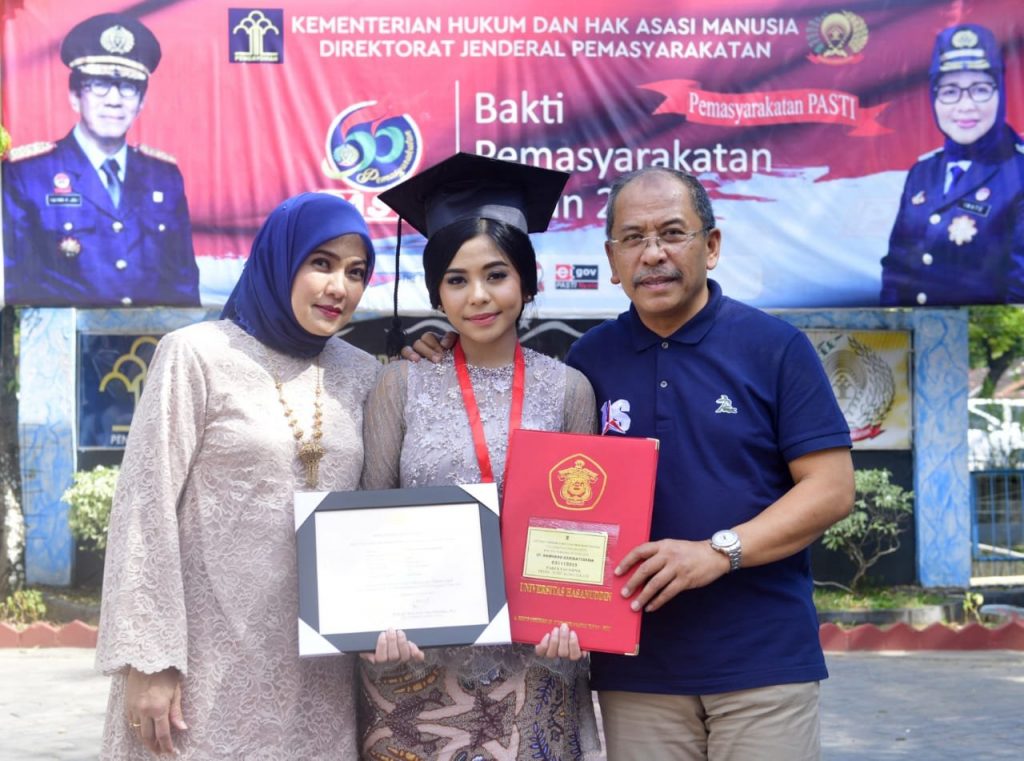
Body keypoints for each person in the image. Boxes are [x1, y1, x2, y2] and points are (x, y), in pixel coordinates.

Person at [410, 167, 854, 760]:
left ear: (711, 246)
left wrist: (717, 552)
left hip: (760, 660)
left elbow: (830, 489)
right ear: (612, 260)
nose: (653, 254)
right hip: (636, 668)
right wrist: (440, 354)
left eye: (672, 233)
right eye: (633, 238)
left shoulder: (774, 348)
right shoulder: (590, 361)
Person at [94, 192, 381, 759]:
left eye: (355, 272)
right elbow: (145, 506)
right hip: (203, 661)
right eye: (321, 263)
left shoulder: (363, 372)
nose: (339, 288)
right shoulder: (196, 354)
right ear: (280, 259)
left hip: (319, 670)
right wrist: (150, 659)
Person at [358, 152, 602, 760]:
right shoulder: (400, 384)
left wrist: (575, 623)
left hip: (536, 658)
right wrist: (374, 622)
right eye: (457, 280)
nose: (479, 296)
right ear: (437, 292)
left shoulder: (569, 389)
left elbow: (584, 527)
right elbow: (368, 517)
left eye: (496, 274)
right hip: (416, 659)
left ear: (527, 281)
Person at [2, 12, 200, 307]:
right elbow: (15, 284)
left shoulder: (164, 176)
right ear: (74, 95)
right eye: (99, 84)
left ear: (141, 101)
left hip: (151, 334)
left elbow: (183, 285)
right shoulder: (27, 174)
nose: (114, 100)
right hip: (65, 335)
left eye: (128, 87)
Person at [880, 23, 1024, 306]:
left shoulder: (1019, 173)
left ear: (1001, 94)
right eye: (949, 91)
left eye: (980, 89)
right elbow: (896, 272)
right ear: (934, 98)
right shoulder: (921, 174)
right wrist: (893, 329)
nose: (965, 106)